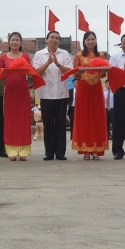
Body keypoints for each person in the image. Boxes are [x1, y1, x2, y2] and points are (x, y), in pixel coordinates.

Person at [33, 31, 73, 160]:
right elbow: (36, 72)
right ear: (47, 40)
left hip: (62, 93)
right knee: (48, 123)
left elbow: (69, 71)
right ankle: (49, 152)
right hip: (46, 93)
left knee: (61, 123)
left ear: (59, 41)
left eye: (57, 38)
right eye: (52, 37)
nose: (54, 40)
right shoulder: (39, 54)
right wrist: (48, 63)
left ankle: (60, 153)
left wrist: (57, 63)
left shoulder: (64, 54)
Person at [71, 31, 109, 160]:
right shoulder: (79, 55)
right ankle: (85, 149)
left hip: (97, 88)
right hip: (83, 88)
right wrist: (80, 72)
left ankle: (96, 150)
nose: (90, 41)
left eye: (93, 39)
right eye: (88, 39)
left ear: (96, 41)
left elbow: (102, 75)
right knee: (84, 117)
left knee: (97, 116)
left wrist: (104, 70)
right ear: (84, 41)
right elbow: (75, 74)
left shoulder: (101, 55)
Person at [0, 32, 33, 160]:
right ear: (9, 42)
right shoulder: (3, 58)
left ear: (21, 43)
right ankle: (12, 151)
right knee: (10, 119)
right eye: (12, 40)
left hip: (23, 88)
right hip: (10, 89)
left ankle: (23, 150)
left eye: (17, 40)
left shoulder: (25, 56)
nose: (15, 42)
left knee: (23, 118)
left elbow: (29, 73)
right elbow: (0, 74)